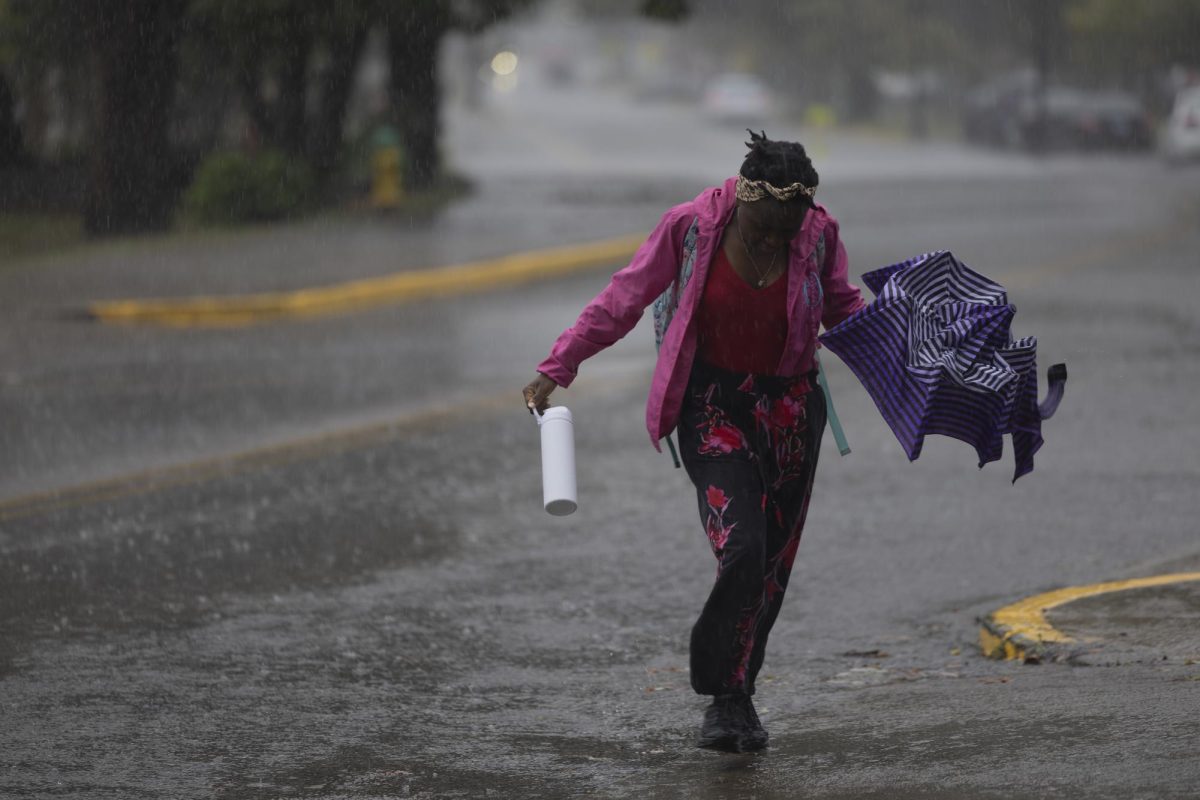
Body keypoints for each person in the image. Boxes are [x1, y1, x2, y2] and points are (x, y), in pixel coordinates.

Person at [521, 131, 866, 753]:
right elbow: (624, 297)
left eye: (784, 233)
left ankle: (739, 697)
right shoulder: (691, 228)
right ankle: (720, 691)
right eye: (764, 228)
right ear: (744, 199)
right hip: (712, 407)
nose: (772, 242)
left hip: (791, 411)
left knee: (769, 568)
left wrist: (912, 348)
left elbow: (844, 310)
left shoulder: (817, 234)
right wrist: (559, 365)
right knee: (742, 546)